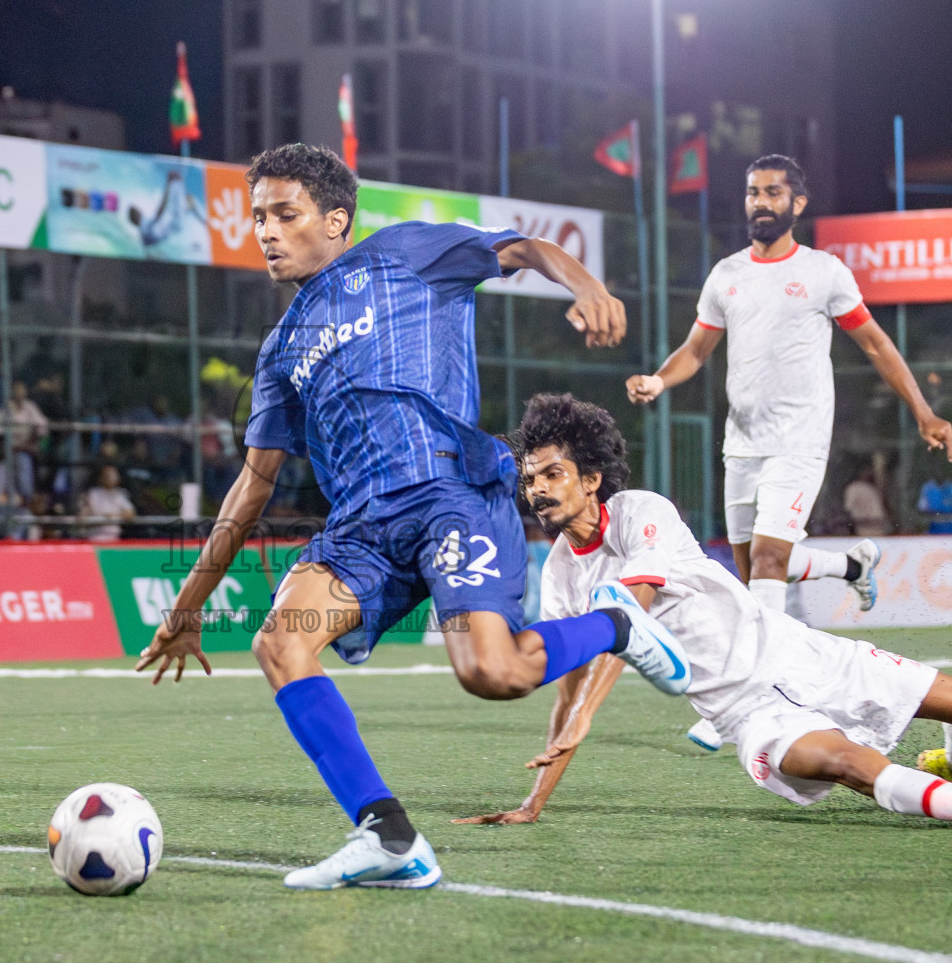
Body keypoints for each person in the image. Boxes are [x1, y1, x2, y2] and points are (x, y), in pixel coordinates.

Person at [136, 143, 690, 892]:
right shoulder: (280, 351)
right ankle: (388, 835)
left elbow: (522, 248)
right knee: (279, 644)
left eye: (285, 214)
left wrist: (586, 283)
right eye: (258, 216)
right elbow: (252, 486)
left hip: (451, 495)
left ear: (336, 219)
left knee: (493, 674)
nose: (265, 231)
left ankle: (617, 624)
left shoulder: (406, 253)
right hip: (363, 530)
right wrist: (186, 609)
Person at [455, 393, 952, 837]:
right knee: (852, 764)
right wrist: (536, 798)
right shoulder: (560, 570)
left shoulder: (641, 512)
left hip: (803, 654)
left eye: (552, 474)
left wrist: (587, 716)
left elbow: (629, 618)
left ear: (591, 479)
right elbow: (572, 685)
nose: (536, 489)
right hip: (749, 716)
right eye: (530, 479)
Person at [625, 154, 952, 752]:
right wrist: (659, 380)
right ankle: (852, 567)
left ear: (797, 204)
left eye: (773, 193)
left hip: (799, 439)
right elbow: (695, 351)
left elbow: (877, 345)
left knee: (771, 565)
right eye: (753, 192)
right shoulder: (726, 274)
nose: (760, 202)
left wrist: (923, 411)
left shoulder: (825, 272)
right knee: (754, 571)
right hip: (743, 443)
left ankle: (757, 695)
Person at [81, 464, 134, 542]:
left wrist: (112, 517)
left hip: (114, 539)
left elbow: (130, 514)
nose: (111, 478)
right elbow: (82, 517)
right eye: (108, 476)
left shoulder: (120, 494)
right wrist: (100, 519)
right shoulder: (92, 494)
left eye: (114, 476)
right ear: (101, 478)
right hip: (93, 538)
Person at [843, 465, 891, 537]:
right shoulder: (860, 488)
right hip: (871, 525)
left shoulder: (860, 487)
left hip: (871, 525)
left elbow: (848, 508)